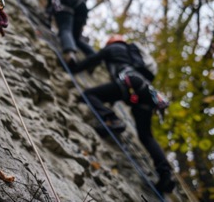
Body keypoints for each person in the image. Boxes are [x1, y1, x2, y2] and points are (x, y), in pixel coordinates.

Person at [68, 34, 176, 196]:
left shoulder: (113, 48)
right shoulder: (134, 55)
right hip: (146, 91)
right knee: (146, 135)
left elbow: (93, 59)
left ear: (111, 42)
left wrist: (72, 68)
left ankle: (112, 119)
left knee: (89, 95)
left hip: (129, 84)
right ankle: (165, 174)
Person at [12, 0, 94, 61]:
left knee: (65, 28)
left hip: (66, 1)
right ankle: (93, 57)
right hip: (81, 5)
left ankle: (70, 55)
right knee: (76, 38)